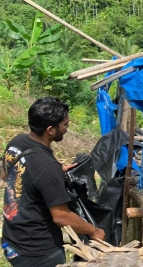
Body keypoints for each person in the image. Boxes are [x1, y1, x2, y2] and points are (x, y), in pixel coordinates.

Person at [1, 97, 105, 267]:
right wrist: (94, 231)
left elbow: (6, 174)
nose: (67, 127)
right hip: (38, 253)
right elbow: (61, 216)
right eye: (64, 124)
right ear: (50, 129)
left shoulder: (17, 142)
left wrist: (53, 173)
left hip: (11, 242)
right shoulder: (48, 167)